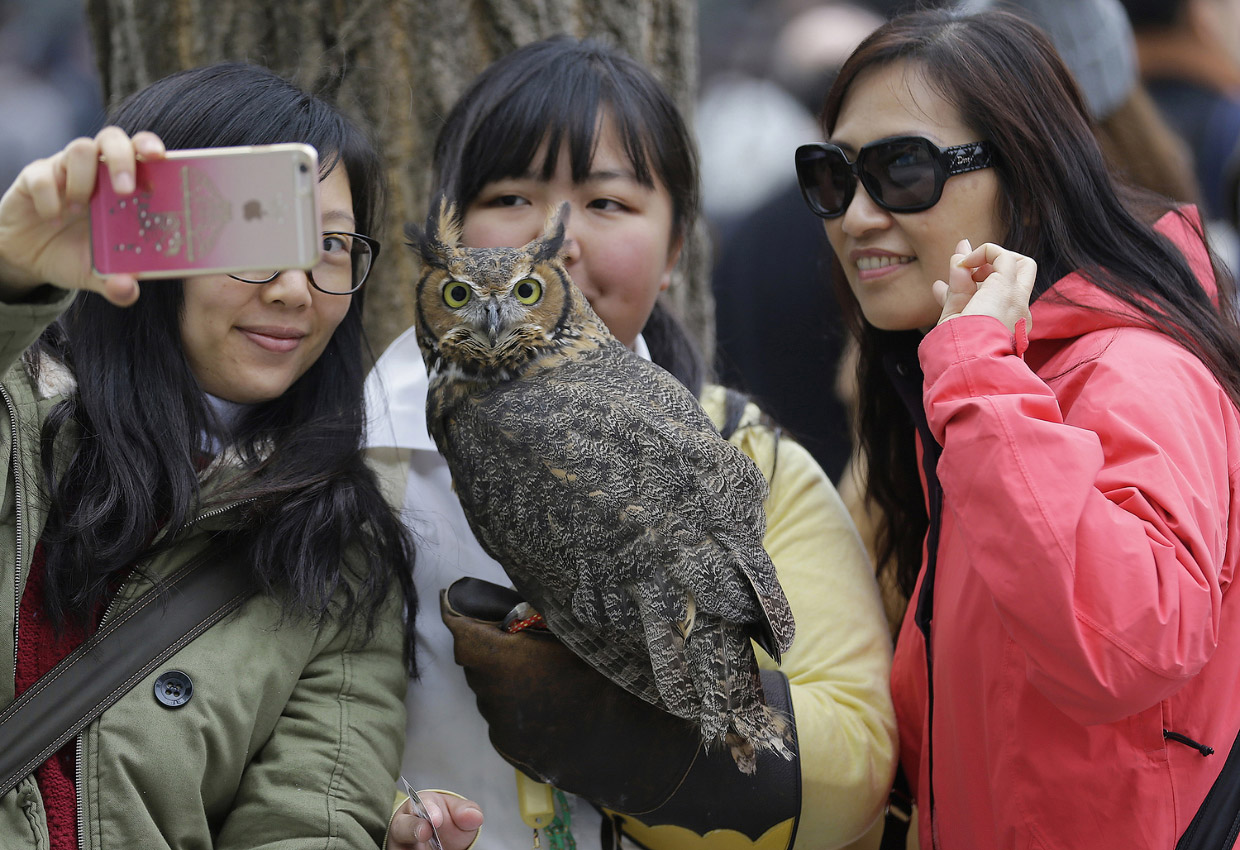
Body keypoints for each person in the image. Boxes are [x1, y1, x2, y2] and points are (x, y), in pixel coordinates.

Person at [366, 36, 897, 850]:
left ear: (676, 245)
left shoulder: (738, 452)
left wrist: (640, 732)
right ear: (452, 226)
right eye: (511, 196)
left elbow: (859, 770)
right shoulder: (353, 457)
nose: (559, 238)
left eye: (607, 203)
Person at [0, 61, 481, 850]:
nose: (296, 287)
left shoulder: (340, 542)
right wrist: (12, 275)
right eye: (257, 234)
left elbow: (303, 820)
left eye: (331, 245)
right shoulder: (19, 416)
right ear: (152, 238)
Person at [795, 6, 1240, 848]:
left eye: (902, 169)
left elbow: (1127, 642)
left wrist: (975, 372)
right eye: (832, 175)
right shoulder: (994, 382)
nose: (855, 216)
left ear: (1028, 176)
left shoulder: (1130, 369)